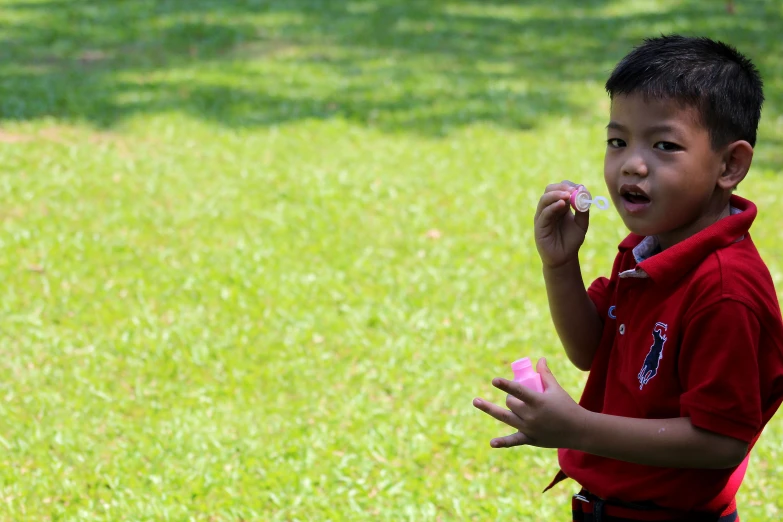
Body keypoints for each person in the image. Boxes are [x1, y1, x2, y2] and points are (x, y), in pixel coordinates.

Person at [473, 35, 783, 521]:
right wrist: (560, 264)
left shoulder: (725, 290)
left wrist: (578, 427)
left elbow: (723, 440)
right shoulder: (650, 248)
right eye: (618, 141)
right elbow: (589, 350)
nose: (632, 164)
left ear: (730, 165)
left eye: (664, 145)